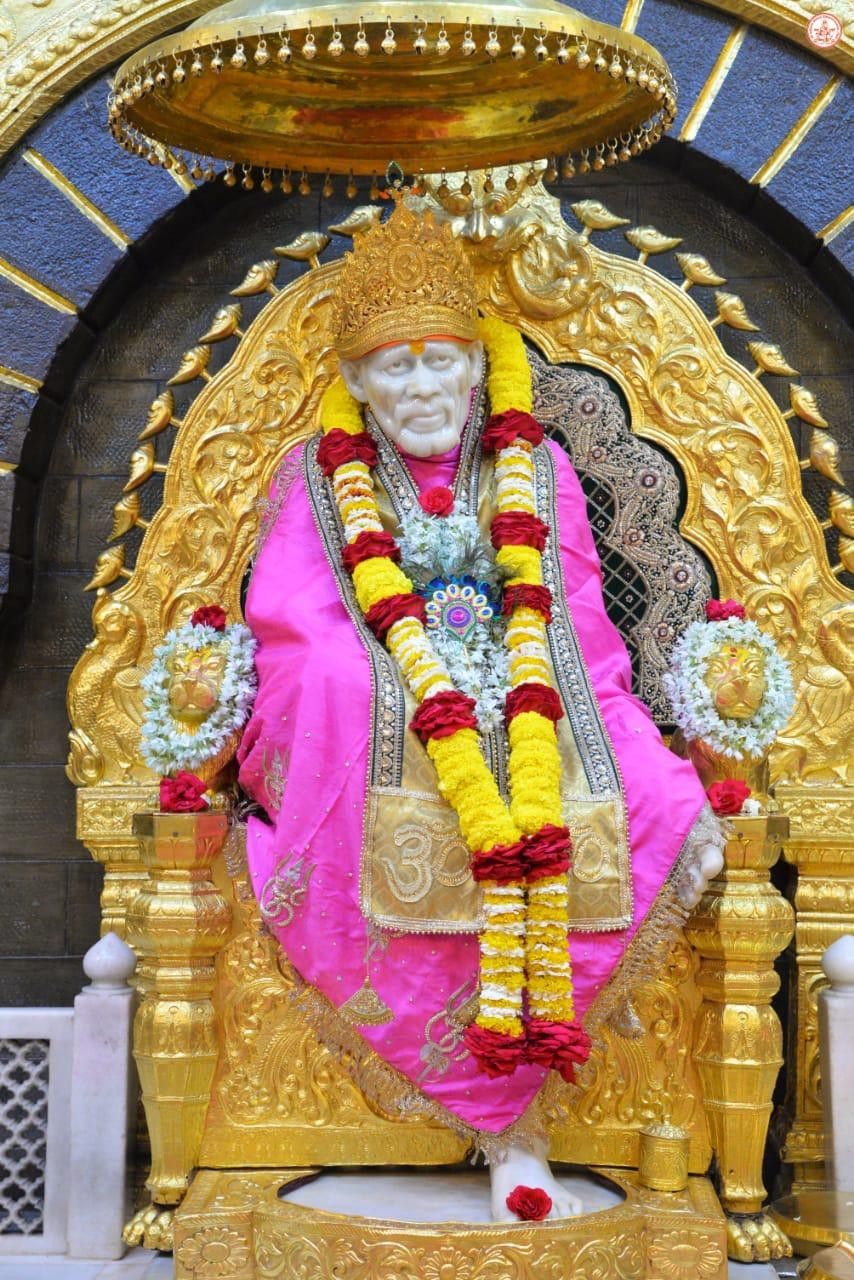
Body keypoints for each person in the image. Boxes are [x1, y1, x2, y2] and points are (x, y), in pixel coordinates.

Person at [237, 201, 724, 1221]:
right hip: (388, 708)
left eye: (439, 362)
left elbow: (582, 614)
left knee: (638, 784)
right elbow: (296, 630)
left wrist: (523, 683)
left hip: (534, 695)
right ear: (359, 386)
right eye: (395, 367)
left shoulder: (533, 467)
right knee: (333, 679)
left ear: (476, 368)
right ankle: (497, 1124)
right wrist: (405, 687)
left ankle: (522, 1119)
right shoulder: (321, 478)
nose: (421, 386)